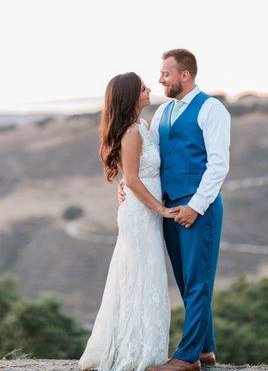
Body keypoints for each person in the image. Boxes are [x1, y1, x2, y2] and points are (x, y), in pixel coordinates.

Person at [119, 49, 231, 371]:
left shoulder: (211, 110)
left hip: (200, 210)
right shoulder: (162, 113)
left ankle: (187, 358)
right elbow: (147, 158)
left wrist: (195, 207)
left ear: (185, 75)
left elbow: (218, 166)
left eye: (165, 74)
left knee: (198, 282)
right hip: (168, 209)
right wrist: (125, 183)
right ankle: (206, 349)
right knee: (186, 282)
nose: (160, 79)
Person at [78, 72, 178, 371]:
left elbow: (129, 176)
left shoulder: (143, 126)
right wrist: (160, 210)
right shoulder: (132, 133)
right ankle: (137, 353)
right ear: (131, 96)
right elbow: (133, 180)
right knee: (139, 277)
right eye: (143, 87)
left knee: (147, 277)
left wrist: (128, 186)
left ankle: (145, 347)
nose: (149, 89)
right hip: (140, 214)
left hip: (143, 211)